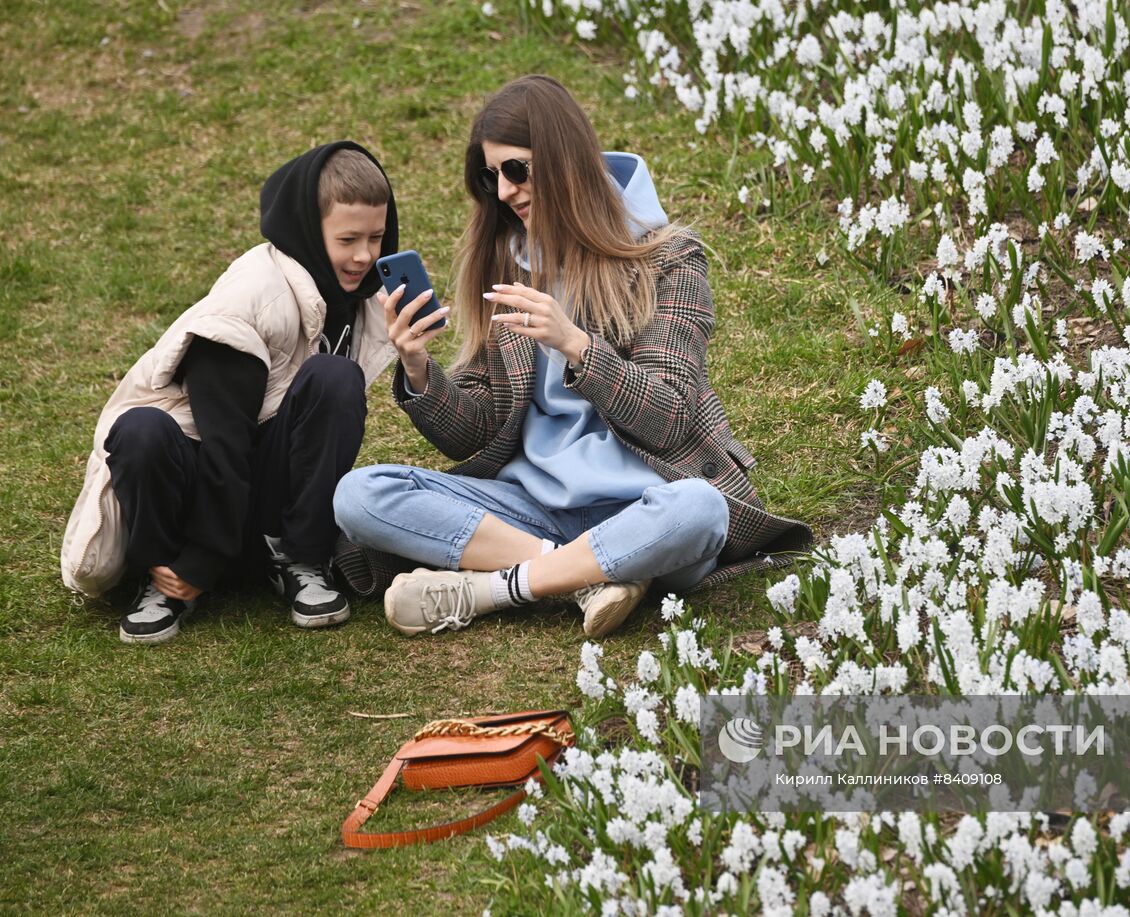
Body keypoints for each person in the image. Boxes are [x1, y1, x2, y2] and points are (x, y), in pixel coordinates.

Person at [332, 75, 811, 639]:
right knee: (359, 495)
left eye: (517, 169)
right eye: (492, 177)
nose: (506, 191)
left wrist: (576, 345)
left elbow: (671, 413)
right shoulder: (509, 262)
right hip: (532, 507)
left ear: (563, 158)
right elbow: (477, 432)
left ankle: (491, 590)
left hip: (647, 503)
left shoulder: (670, 258)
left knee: (703, 509)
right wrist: (418, 369)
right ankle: (587, 576)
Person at [60, 141, 403, 644]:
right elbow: (224, 444)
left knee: (334, 378)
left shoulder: (358, 298)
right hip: (191, 490)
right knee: (141, 431)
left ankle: (299, 556)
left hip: (253, 499)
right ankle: (166, 578)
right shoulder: (250, 302)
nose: (364, 255)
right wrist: (198, 559)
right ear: (308, 229)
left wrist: (411, 354)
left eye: (376, 237)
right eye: (348, 238)